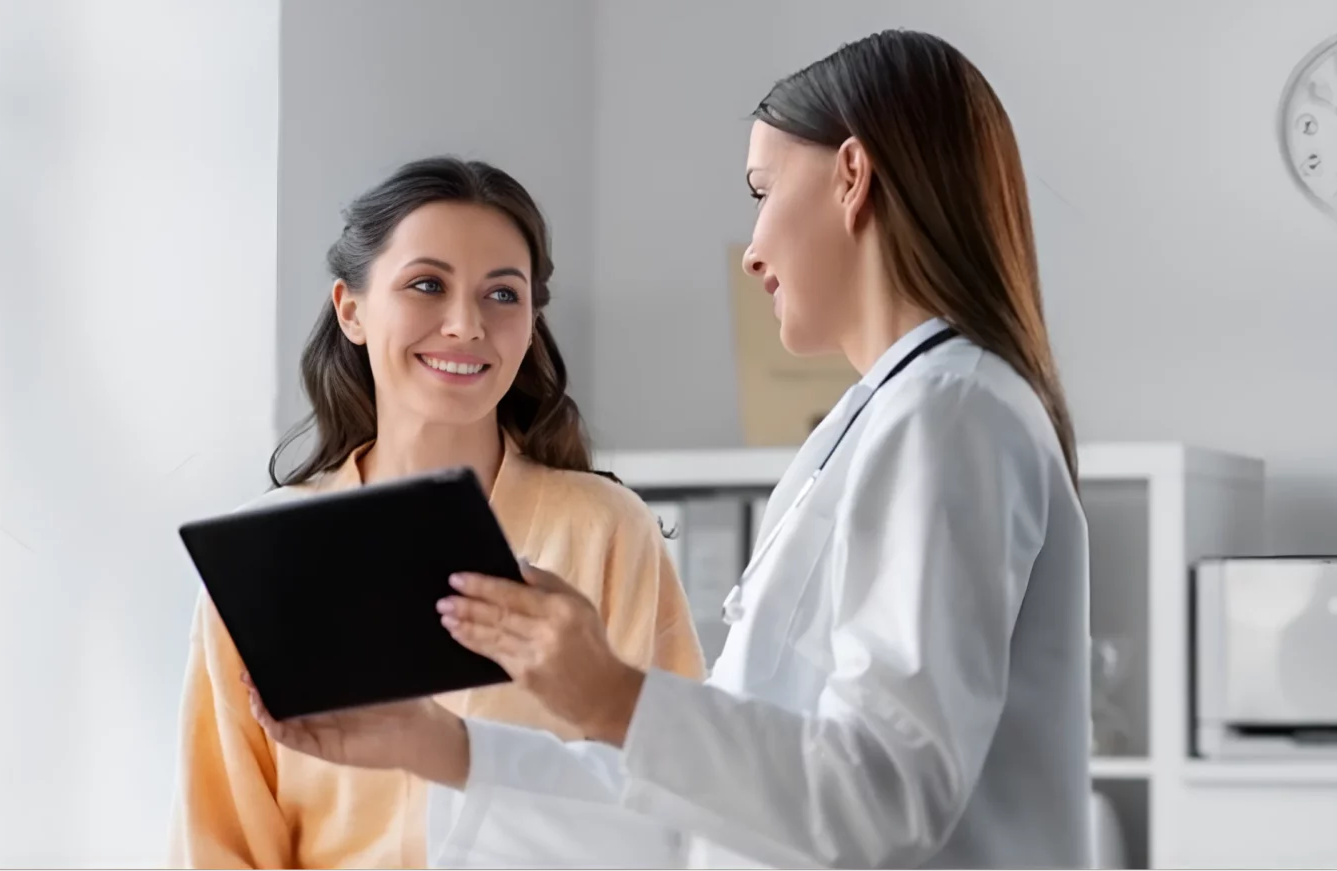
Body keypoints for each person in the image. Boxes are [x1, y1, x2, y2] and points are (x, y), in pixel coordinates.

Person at [251, 29, 1091, 869]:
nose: (753, 247)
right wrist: (440, 745)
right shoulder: (884, 422)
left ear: (851, 175)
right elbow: (700, 821)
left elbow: (884, 798)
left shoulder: (950, 413)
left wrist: (613, 694)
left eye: (763, 189)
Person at [170, 156, 708, 869]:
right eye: (427, 284)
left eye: (503, 294)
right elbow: (220, 835)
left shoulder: (607, 530)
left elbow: (680, 796)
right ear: (351, 309)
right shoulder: (267, 554)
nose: (466, 323)